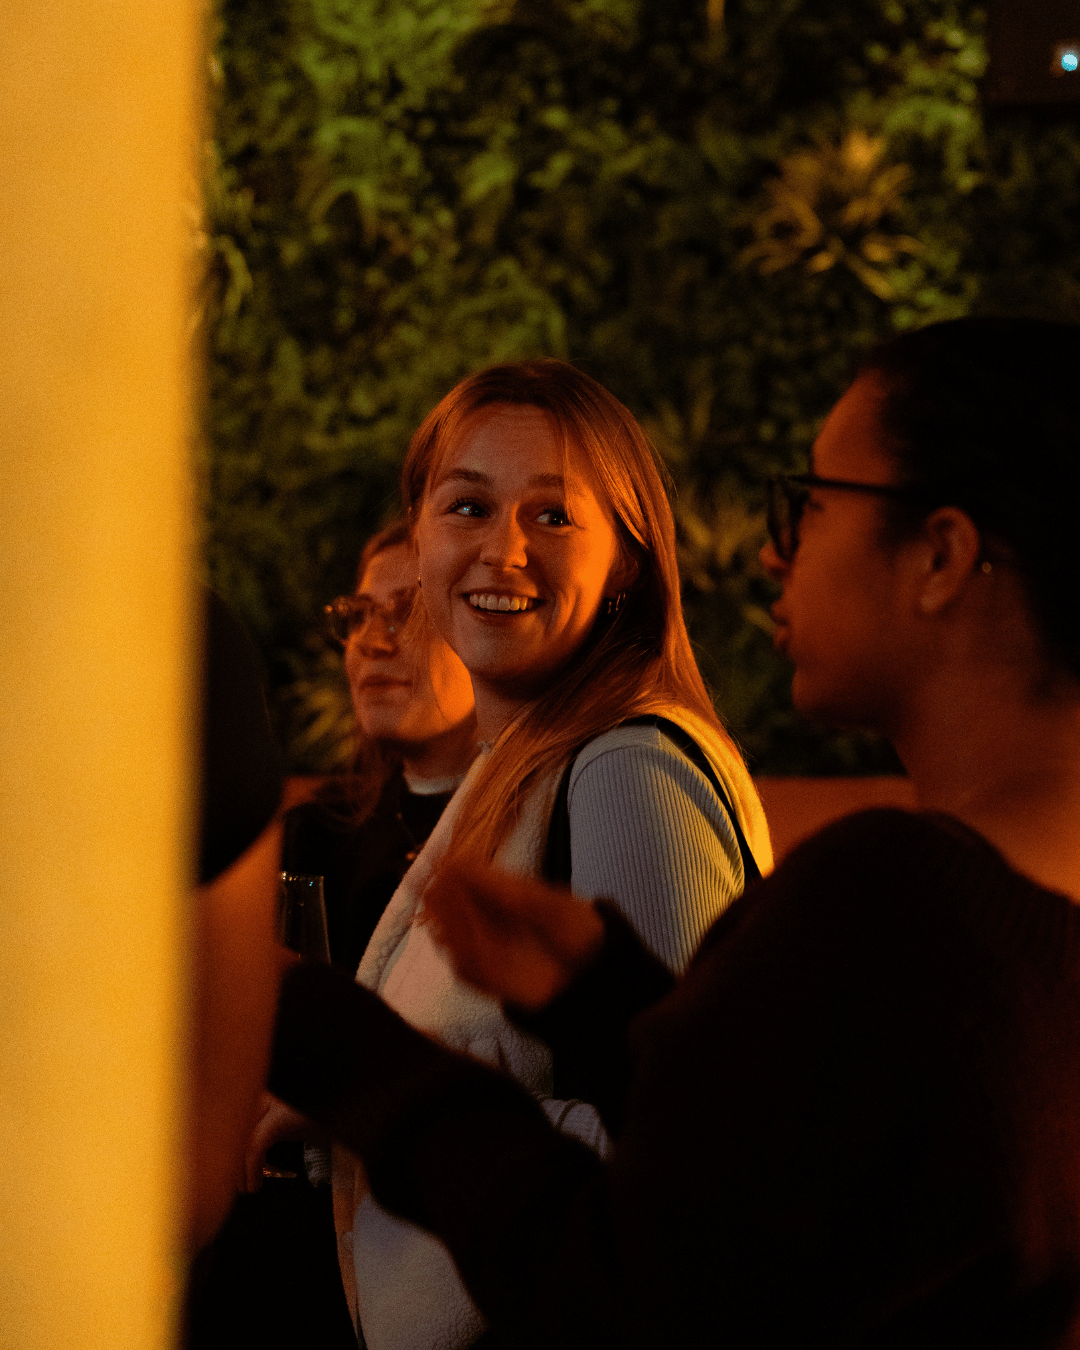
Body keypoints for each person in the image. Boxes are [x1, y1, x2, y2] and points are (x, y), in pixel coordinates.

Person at [263, 316, 1080, 1348]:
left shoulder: (895, 899)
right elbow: (793, 1191)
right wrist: (609, 1006)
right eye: (462, 504)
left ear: (942, 556)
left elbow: (639, 1292)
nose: (779, 552)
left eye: (815, 503)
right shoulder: (1002, 920)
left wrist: (333, 1044)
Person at [252, 359, 771, 1350]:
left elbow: (682, 1155)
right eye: (467, 507)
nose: (503, 553)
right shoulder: (524, 765)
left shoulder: (627, 768)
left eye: (553, 517)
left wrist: (374, 1083)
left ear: (629, 561)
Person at [188, 523, 478, 1349]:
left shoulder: (515, 838)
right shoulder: (304, 837)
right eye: (358, 615)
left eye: (410, 612)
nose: (375, 641)